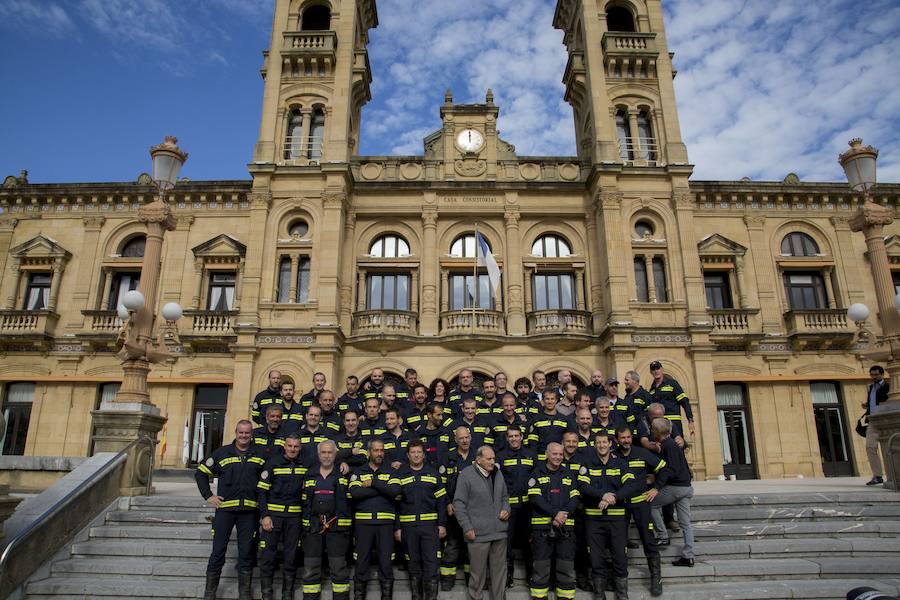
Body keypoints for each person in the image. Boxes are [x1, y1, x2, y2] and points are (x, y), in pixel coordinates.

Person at [195, 420, 265, 600]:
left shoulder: (259, 454)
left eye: (247, 433)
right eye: (241, 433)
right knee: (218, 552)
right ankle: (209, 594)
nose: (244, 436)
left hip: (249, 513)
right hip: (225, 512)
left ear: (251, 434)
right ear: (235, 432)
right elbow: (201, 472)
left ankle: (245, 593)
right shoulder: (222, 453)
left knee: (247, 553)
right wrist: (208, 495)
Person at [578, 432, 639, 600]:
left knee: (620, 557)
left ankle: (622, 594)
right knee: (596, 558)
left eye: (604, 442)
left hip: (617, 520)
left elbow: (632, 485)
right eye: (598, 443)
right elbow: (582, 486)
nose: (602, 445)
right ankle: (599, 594)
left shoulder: (620, 463)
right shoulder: (587, 464)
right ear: (594, 445)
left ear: (610, 444)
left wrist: (614, 498)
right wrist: (602, 495)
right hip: (594, 520)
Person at [453, 445, 510, 600]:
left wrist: (506, 508)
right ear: (478, 460)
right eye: (489, 458)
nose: (493, 461)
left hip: (499, 532)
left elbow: (505, 496)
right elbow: (458, 504)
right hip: (477, 534)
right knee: (477, 575)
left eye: (493, 458)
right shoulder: (466, 475)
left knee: (499, 574)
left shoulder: (498, 473)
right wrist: (467, 527)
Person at [395, 439, 448, 600]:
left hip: (429, 527)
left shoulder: (433, 473)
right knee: (414, 565)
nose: (416, 455)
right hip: (408, 528)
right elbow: (395, 504)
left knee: (431, 564)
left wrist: (442, 524)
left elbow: (442, 501)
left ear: (424, 455)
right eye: (413, 452)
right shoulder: (400, 475)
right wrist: (397, 527)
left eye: (419, 452)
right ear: (408, 455)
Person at [615, 425, 664, 596]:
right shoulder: (613, 455)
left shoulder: (641, 452)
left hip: (641, 503)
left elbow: (664, 468)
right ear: (617, 440)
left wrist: (656, 487)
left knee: (648, 540)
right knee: (618, 543)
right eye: (622, 438)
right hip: (620, 505)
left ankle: (656, 578)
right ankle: (619, 581)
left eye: (628, 437)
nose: (626, 441)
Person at [257, 434, 307, 600]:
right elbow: (262, 491)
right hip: (274, 517)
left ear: (300, 448)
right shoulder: (273, 463)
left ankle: (287, 594)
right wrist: (264, 516)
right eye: (290, 446)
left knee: (291, 556)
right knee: (268, 556)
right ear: (284, 446)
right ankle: (267, 594)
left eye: (296, 446)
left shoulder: (304, 465)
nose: (293, 449)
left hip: (294, 518)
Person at [349, 439, 400, 600]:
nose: (379, 453)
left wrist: (373, 483)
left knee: (386, 563)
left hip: (385, 524)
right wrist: (381, 489)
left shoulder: (391, 470)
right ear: (369, 452)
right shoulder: (358, 471)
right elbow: (355, 493)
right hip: (363, 524)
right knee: (361, 562)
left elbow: (395, 491)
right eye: (376, 450)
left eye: (381, 450)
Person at [301, 440, 352, 600]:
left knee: (338, 569)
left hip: (337, 529)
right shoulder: (309, 474)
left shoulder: (344, 475)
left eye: (330, 452)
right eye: (323, 452)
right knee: (310, 570)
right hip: (313, 529)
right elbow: (304, 502)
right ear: (318, 454)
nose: (327, 455)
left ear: (335, 454)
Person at [528, 442, 579, 600]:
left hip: (566, 530)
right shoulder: (536, 474)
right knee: (541, 568)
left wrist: (565, 514)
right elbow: (535, 498)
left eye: (560, 454)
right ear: (546, 454)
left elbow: (575, 497)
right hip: (542, 530)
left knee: (566, 567)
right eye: (554, 454)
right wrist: (555, 513)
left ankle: (565, 597)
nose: (558, 457)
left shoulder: (569, 474)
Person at [648, 417, 695, 567]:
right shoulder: (669, 445)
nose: (650, 430)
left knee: (650, 504)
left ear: (656, 431)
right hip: (686, 487)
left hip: (677, 487)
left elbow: (670, 469)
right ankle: (689, 556)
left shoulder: (669, 446)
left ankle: (662, 535)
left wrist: (656, 487)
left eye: (652, 428)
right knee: (685, 523)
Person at [496, 423, 535, 587]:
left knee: (530, 542)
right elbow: (497, 484)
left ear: (521, 437)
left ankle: (531, 575)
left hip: (527, 508)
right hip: (508, 508)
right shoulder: (500, 456)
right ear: (507, 438)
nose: (513, 439)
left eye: (516, 436)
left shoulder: (530, 454)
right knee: (507, 543)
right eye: (510, 436)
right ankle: (508, 576)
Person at [441, 426, 475, 590]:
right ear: (455, 440)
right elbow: (441, 484)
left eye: (467, 437)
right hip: (453, 509)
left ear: (470, 437)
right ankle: (447, 581)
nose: (464, 440)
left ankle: (472, 580)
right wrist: (447, 502)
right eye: (461, 438)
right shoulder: (448, 457)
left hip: (473, 511)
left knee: (472, 545)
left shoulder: (478, 457)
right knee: (452, 545)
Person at [648, 361, 694, 438]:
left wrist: (690, 420)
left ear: (662, 369)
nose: (656, 371)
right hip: (659, 424)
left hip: (674, 422)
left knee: (677, 445)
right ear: (651, 372)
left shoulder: (672, 384)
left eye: (658, 368)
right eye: (653, 369)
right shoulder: (652, 389)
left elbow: (684, 401)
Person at [528, 389, 573, 460]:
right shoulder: (536, 419)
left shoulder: (564, 419)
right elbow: (532, 442)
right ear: (543, 401)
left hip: (559, 458)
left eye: (552, 399)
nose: (550, 401)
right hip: (541, 458)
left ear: (556, 400)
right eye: (547, 399)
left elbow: (568, 440)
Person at [863, 365, 889, 486]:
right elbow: (872, 402)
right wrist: (866, 405)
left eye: (876, 375)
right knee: (870, 447)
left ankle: (893, 474)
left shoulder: (888, 386)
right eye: (872, 375)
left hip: (886, 421)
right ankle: (877, 475)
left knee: (890, 448)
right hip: (873, 421)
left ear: (882, 374)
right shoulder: (871, 388)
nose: (874, 377)